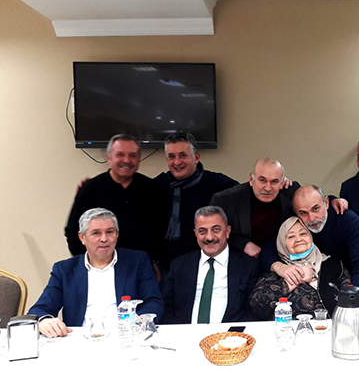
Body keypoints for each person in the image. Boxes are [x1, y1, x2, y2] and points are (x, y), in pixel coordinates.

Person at [29, 208, 163, 338]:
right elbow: (40, 310)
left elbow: (154, 301)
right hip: (80, 341)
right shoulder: (65, 270)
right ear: (82, 237)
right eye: (96, 233)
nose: (104, 239)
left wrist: (141, 320)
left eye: (109, 232)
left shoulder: (137, 262)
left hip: (125, 337)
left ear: (117, 235)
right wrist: (44, 321)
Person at [64, 134, 164, 266]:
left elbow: (160, 231)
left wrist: (154, 262)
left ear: (139, 159)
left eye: (132, 155)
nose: (126, 160)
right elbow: (73, 231)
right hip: (100, 267)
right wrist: (88, 265)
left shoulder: (152, 189)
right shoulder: (90, 189)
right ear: (109, 158)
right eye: (120, 155)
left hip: (142, 268)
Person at [161, 206, 261, 324]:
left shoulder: (248, 266)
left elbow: (253, 311)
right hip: (185, 332)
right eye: (202, 231)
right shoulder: (179, 265)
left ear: (227, 231)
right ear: (195, 233)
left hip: (230, 333)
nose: (209, 237)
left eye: (216, 230)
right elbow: (166, 308)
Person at [154, 132, 239, 271]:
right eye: (171, 156)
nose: (177, 162)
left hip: (203, 265)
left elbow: (249, 195)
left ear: (196, 157)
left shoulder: (218, 184)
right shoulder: (156, 186)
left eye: (183, 155)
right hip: (163, 267)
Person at [249, 217, 352, 320]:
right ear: (282, 243)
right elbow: (257, 306)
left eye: (303, 234)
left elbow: (352, 298)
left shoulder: (334, 265)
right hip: (290, 329)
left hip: (334, 328)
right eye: (291, 237)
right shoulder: (277, 271)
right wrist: (296, 279)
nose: (298, 239)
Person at [209, 158, 300, 260]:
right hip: (239, 258)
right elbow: (211, 232)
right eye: (262, 180)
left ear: (282, 182)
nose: (268, 188)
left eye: (274, 181)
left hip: (280, 256)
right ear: (251, 180)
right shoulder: (225, 200)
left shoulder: (291, 193)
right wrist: (243, 244)